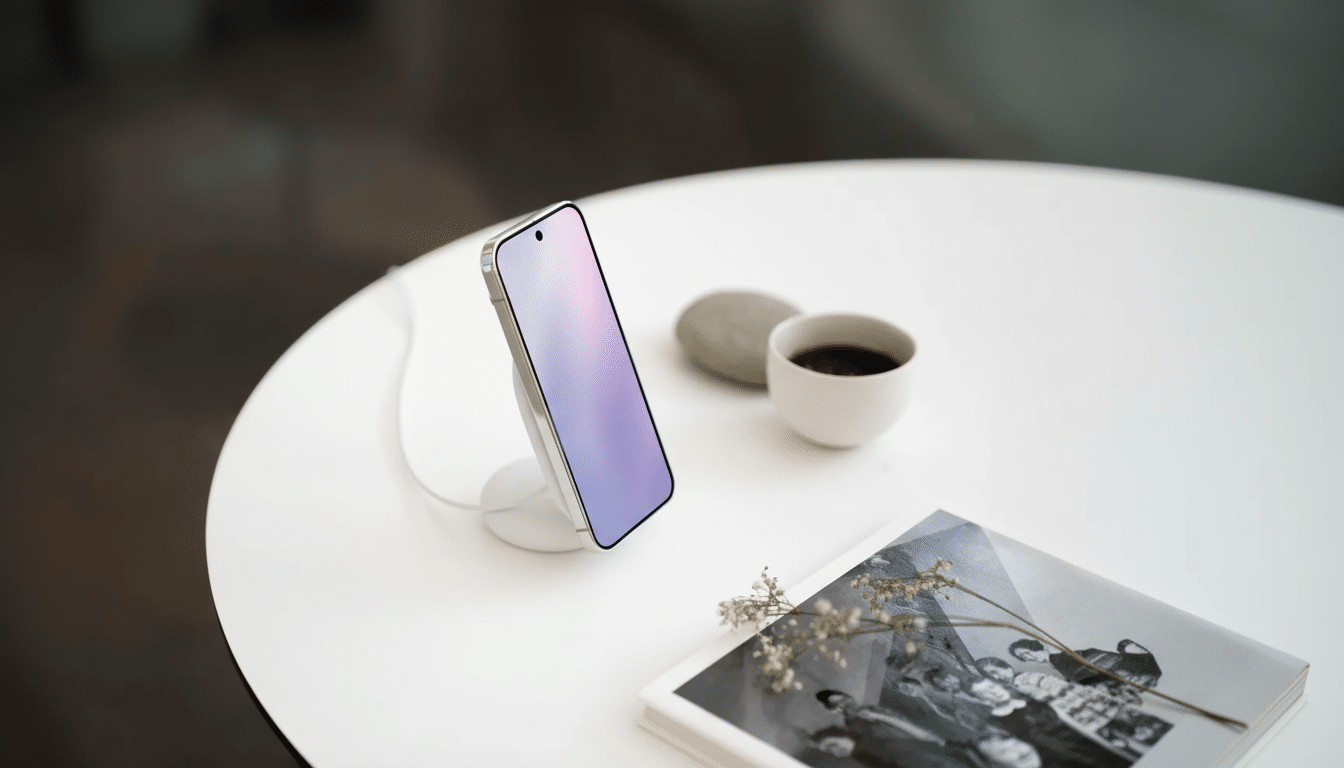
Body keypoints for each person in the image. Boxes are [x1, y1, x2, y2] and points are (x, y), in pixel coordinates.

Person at [1008, 638, 1161, 690]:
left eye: (1026, 652)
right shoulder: (1054, 663)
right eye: (1023, 657)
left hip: (1119, 669)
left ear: (1033, 647)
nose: (1028, 657)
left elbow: (1089, 665)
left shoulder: (1055, 654)